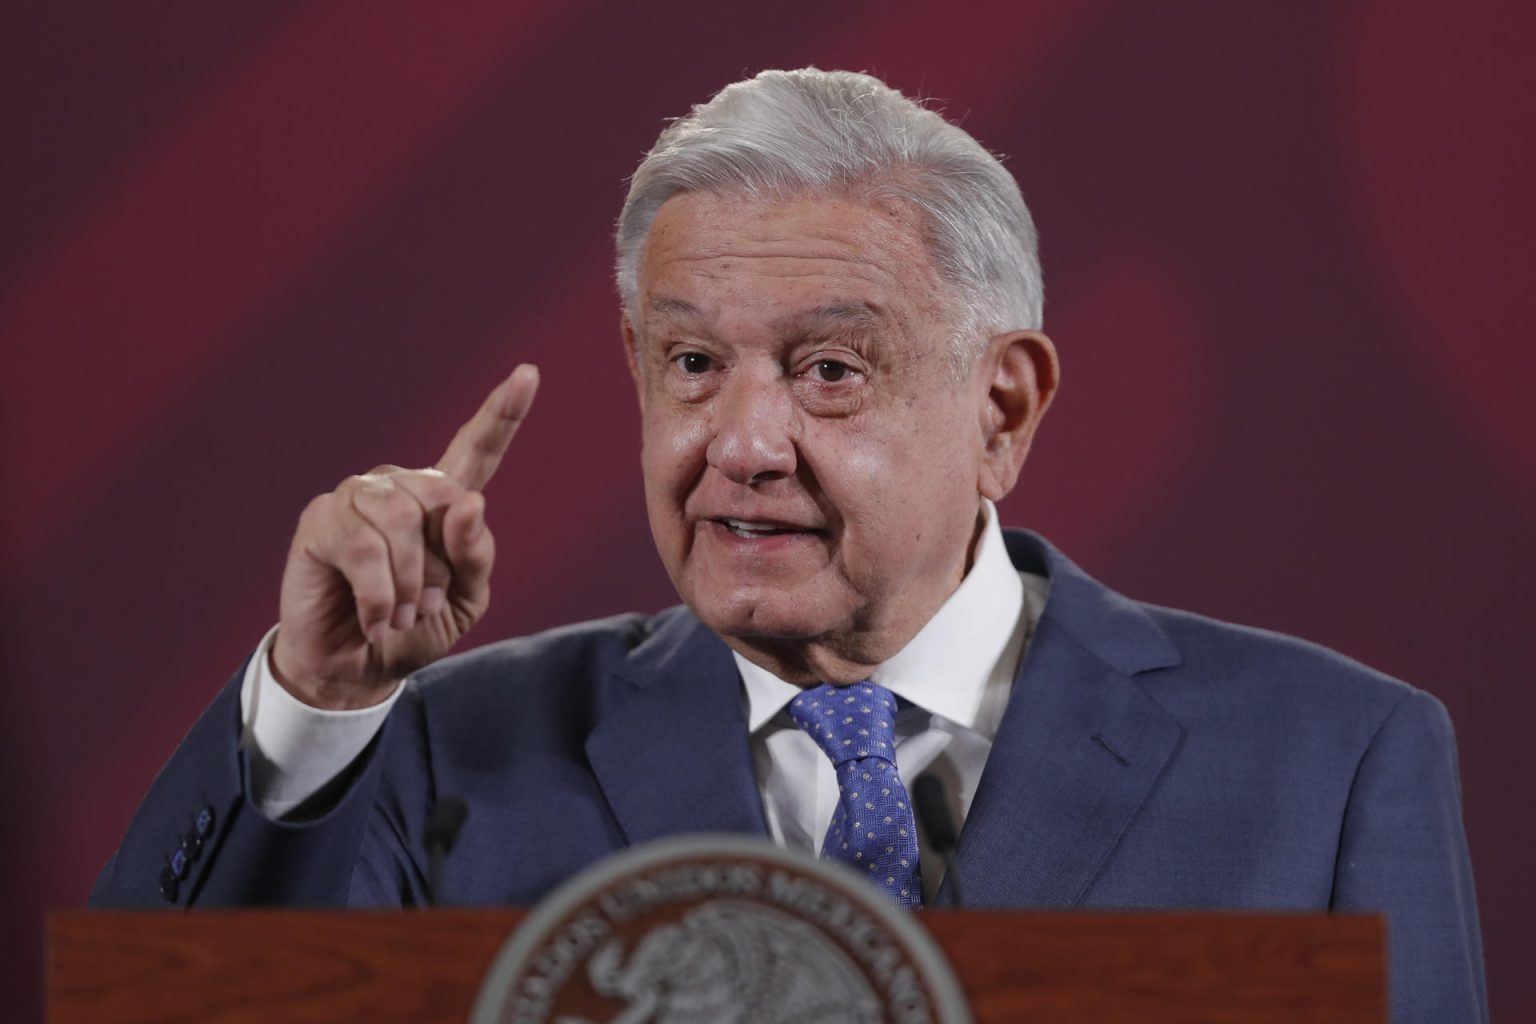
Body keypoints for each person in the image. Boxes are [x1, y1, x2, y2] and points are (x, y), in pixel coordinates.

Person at [91, 68, 1485, 1021]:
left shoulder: (1334, 766)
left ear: (1002, 406)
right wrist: (319, 711)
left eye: (829, 370)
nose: (741, 441)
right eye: (693, 362)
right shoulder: (451, 750)